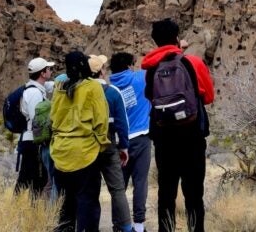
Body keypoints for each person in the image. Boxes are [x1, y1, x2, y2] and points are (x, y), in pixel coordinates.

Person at [142, 18, 214, 232]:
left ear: (155, 42)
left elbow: (150, 98)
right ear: (176, 38)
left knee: (166, 195)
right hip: (192, 139)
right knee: (194, 196)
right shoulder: (193, 62)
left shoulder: (151, 69)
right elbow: (208, 97)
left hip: (164, 141)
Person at [50, 51, 109, 232]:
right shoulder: (93, 87)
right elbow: (101, 121)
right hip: (85, 154)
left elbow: (53, 119)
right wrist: (101, 144)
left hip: (60, 153)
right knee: (87, 203)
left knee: (66, 204)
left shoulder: (59, 87)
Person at [89, 54, 133, 232]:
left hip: (88, 149)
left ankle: (90, 227)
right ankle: (126, 228)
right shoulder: (113, 92)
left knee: (90, 192)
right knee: (117, 190)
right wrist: (124, 147)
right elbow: (122, 125)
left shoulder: (82, 92)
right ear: (102, 71)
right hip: (109, 147)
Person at [110, 52, 151, 232]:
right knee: (140, 182)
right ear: (128, 65)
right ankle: (139, 226)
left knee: (119, 187)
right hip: (141, 138)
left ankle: (119, 225)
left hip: (120, 141)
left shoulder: (110, 88)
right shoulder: (141, 77)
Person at [15, 57, 55, 196]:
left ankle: (22, 207)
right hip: (33, 141)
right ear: (43, 73)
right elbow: (37, 120)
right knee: (35, 179)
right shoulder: (34, 93)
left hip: (30, 140)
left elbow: (52, 85)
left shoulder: (36, 88)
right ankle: (30, 210)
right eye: (49, 69)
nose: (51, 71)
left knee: (29, 178)